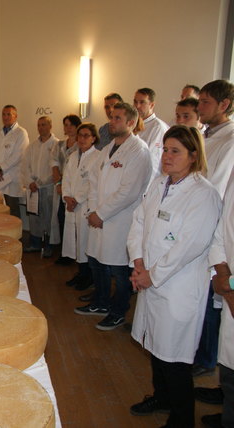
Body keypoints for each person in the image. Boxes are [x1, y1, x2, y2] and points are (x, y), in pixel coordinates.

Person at [128, 125, 221, 428]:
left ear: (193, 156)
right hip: (151, 278)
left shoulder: (203, 194)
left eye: (175, 151)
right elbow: (139, 221)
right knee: (155, 348)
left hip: (178, 287)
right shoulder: (160, 184)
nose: (167, 156)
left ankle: (182, 420)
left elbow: (189, 246)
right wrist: (138, 261)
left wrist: (151, 275)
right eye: (165, 150)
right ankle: (162, 397)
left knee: (175, 358)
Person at [74, 102, 152, 330]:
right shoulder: (108, 148)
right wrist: (93, 211)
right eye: (112, 117)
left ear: (131, 123)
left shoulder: (139, 151)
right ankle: (100, 302)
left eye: (118, 118)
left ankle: (118, 312)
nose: (112, 121)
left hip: (120, 220)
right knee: (96, 262)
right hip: (99, 217)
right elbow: (94, 181)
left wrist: (101, 213)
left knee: (119, 270)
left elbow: (129, 192)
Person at [192, 79, 234, 382]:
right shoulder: (206, 135)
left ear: (224, 105)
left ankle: (207, 359)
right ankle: (203, 354)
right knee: (203, 298)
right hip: (201, 227)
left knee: (210, 301)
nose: (199, 107)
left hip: (211, 228)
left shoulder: (230, 141)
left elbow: (214, 189)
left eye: (205, 101)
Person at [201, 172, 234, 428]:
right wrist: (223, 274)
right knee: (230, 362)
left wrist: (230, 283)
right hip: (228, 281)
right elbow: (223, 229)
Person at [61, 123, 101, 291]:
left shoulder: (98, 157)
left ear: (93, 138)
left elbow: (92, 183)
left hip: (85, 205)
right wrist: (66, 196)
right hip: (72, 205)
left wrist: (76, 199)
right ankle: (80, 272)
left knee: (85, 241)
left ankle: (88, 275)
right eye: (80, 135)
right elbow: (66, 178)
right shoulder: (73, 156)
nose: (82, 139)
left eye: (86, 135)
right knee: (74, 241)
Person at [21, 116, 58, 255]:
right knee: (34, 217)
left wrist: (40, 182)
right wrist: (30, 182)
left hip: (47, 188)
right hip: (32, 188)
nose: (41, 128)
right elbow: (25, 166)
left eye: (44, 125)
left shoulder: (56, 145)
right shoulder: (32, 146)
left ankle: (48, 246)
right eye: (39, 125)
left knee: (48, 218)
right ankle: (35, 243)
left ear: (50, 126)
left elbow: (55, 169)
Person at [0, 105, 29, 219]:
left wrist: (0, 168)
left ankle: (15, 232)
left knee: (12, 213)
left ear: (15, 116)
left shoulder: (21, 133)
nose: (5, 117)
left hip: (12, 179)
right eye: (3, 114)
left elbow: (18, 155)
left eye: (9, 114)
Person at [51, 114, 82, 262]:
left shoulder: (81, 146)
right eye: (66, 125)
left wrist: (65, 185)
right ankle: (65, 252)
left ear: (77, 126)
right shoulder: (59, 145)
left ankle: (75, 254)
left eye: (71, 125)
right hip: (60, 187)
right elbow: (54, 163)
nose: (68, 128)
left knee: (74, 222)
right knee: (61, 217)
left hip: (74, 188)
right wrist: (58, 184)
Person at [134, 88, 169, 176]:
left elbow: (153, 162)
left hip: (148, 178)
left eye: (142, 102)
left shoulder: (158, 127)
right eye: (135, 102)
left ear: (151, 105)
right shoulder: (133, 124)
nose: (137, 106)